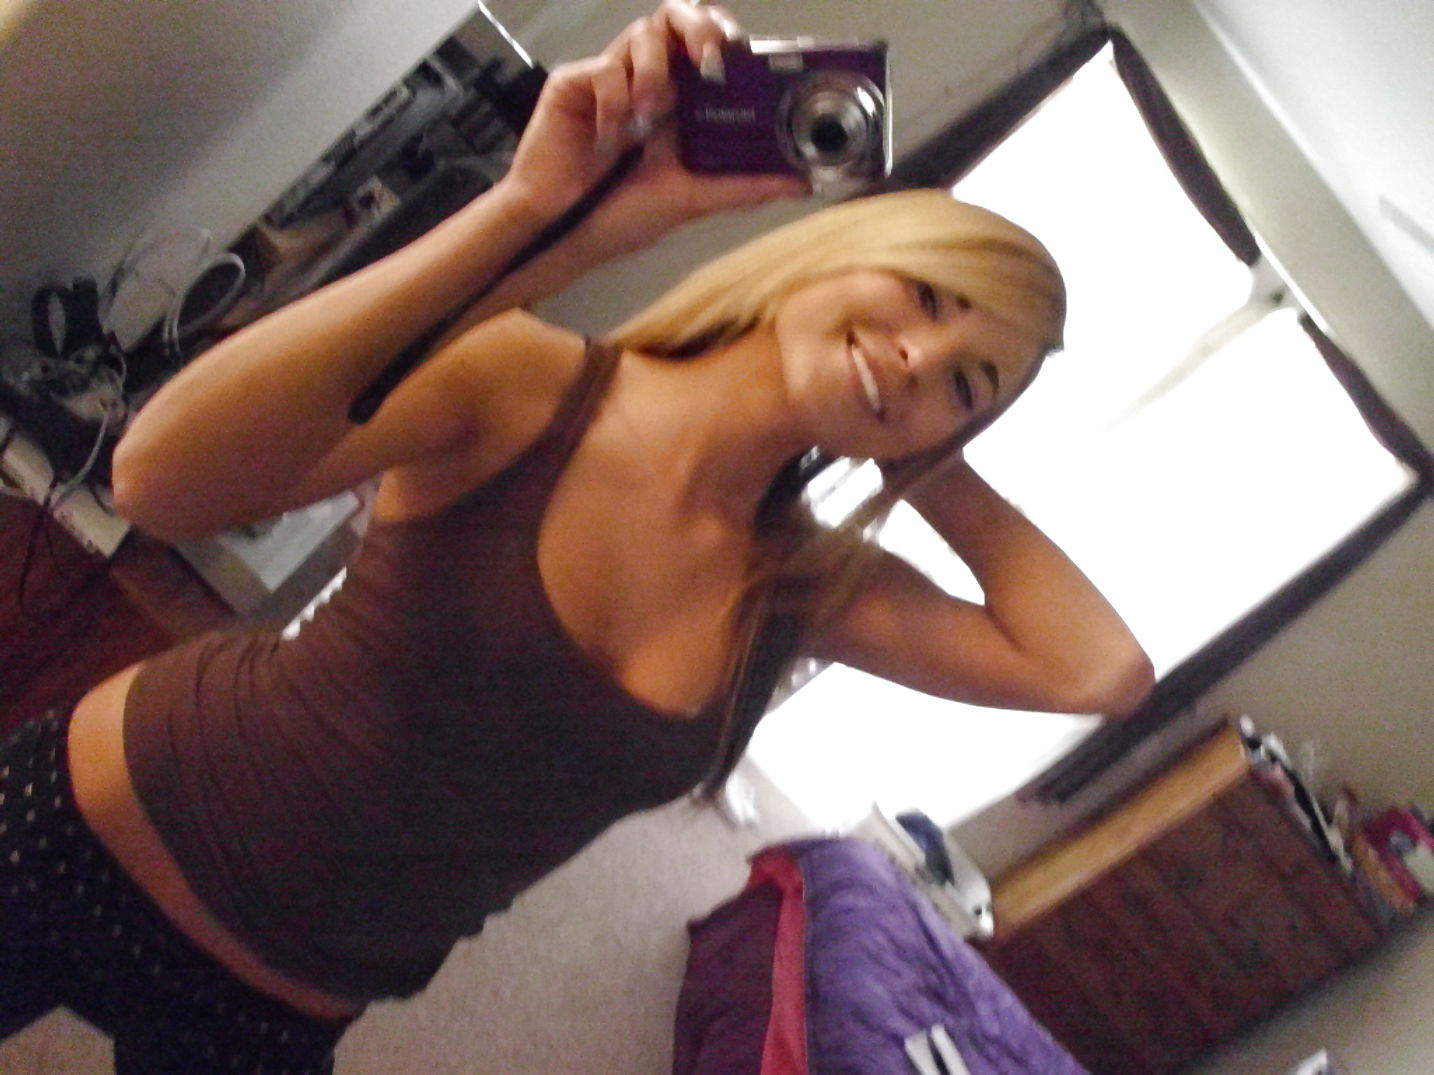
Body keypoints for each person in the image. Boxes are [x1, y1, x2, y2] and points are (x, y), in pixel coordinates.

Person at [0, 2, 1154, 1071]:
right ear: (839, 249)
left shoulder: (805, 585)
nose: (920, 354)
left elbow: (1097, 672)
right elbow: (158, 480)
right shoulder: (527, 383)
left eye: (968, 380)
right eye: (927, 296)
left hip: (279, 1012)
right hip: (84, 839)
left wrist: (929, 451)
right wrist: (535, 216)